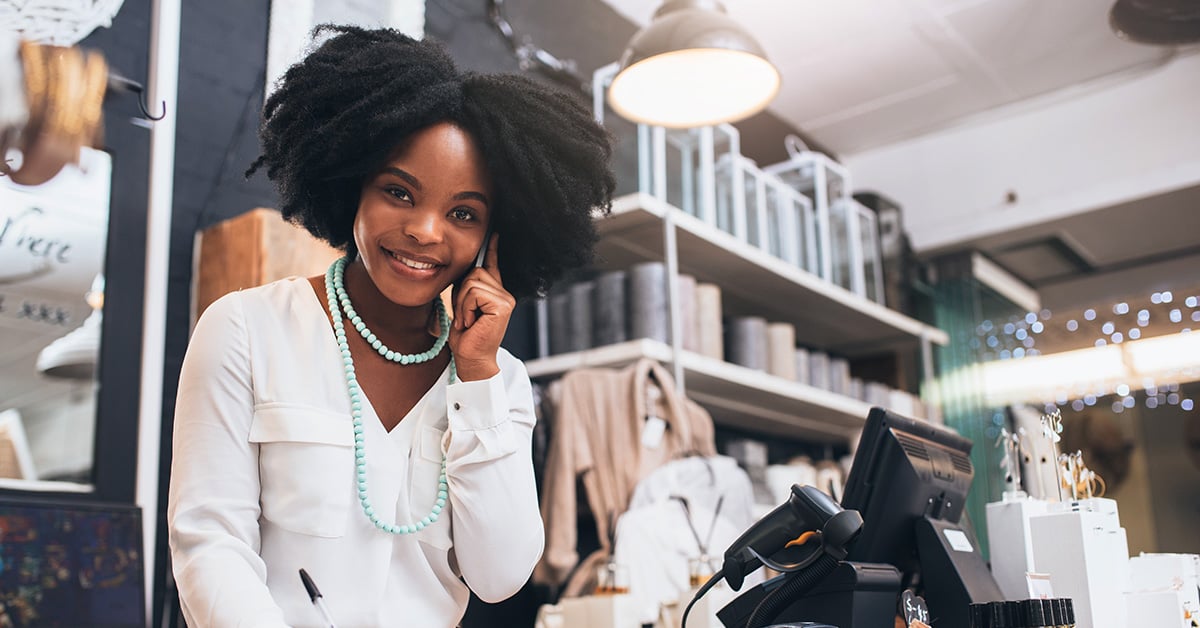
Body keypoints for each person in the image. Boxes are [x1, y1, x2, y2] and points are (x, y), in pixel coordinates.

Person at [167, 24, 614, 627]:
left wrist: (477, 379)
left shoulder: (498, 379)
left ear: (494, 237)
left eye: (463, 213)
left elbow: (501, 575)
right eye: (398, 192)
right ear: (351, 186)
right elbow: (210, 546)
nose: (427, 231)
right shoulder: (245, 330)